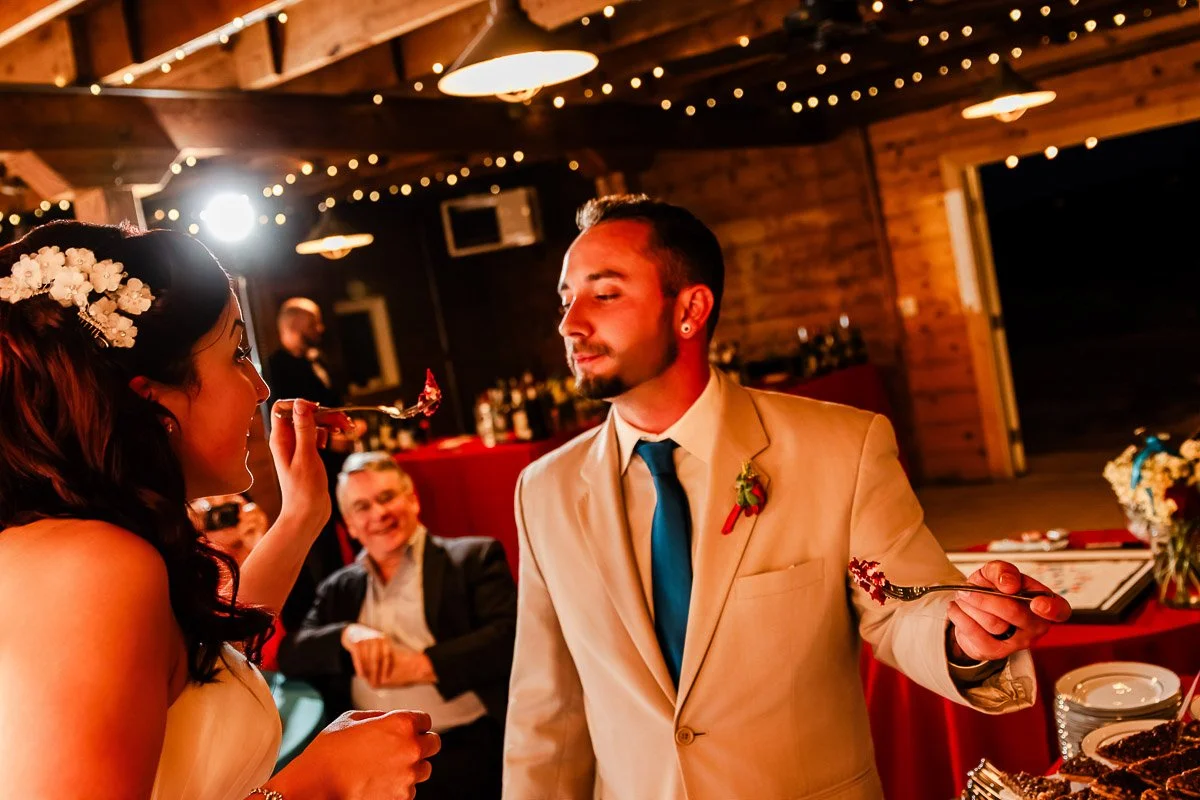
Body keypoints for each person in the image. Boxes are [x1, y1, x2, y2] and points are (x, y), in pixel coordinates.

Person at [502, 195, 1074, 799]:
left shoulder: (841, 447)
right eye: (567, 299)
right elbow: (548, 707)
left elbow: (903, 604)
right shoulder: (545, 491)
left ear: (691, 308)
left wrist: (964, 639)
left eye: (605, 293)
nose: (571, 323)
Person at [0, 220, 438, 799]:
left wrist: (302, 513)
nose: (260, 387)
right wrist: (319, 782)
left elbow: (202, 672)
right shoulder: (94, 566)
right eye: (236, 352)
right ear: (153, 400)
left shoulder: (84, 548)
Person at [278, 452, 516, 800]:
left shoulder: (472, 558)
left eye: (387, 497)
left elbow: (509, 638)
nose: (379, 514)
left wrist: (422, 666)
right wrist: (347, 634)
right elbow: (292, 652)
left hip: (462, 746)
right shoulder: (338, 588)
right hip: (368, 761)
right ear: (350, 524)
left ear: (412, 499)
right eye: (362, 507)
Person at [266, 296, 358, 635]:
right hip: (309, 467)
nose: (320, 329)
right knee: (321, 546)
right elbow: (284, 420)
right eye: (313, 322)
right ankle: (330, 622)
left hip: (338, 466)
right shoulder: (275, 367)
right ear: (292, 325)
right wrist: (329, 439)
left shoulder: (319, 361)